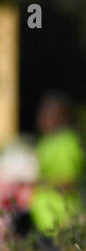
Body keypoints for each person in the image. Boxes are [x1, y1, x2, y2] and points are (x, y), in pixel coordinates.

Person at [28, 92, 83, 240]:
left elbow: (69, 181)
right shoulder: (47, 140)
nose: (41, 117)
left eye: (46, 113)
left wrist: (38, 182)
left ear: (60, 116)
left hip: (60, 221)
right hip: (44, 219)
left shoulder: (66, 143)